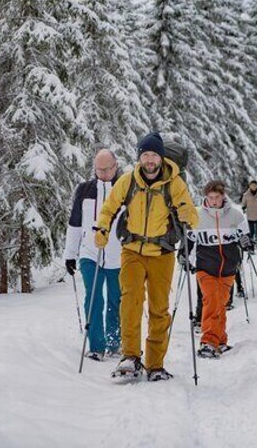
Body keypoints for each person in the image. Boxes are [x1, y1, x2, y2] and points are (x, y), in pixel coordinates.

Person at [94, 133, 198, 382]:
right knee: (130, 301)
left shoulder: (174, 183)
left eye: (153, 155)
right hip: (132, 250)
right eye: (145, 155)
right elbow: (109, 207)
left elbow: (193, 217)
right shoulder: (129, 180)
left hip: (162, 253)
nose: (149, 160)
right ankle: (130, 356)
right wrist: (102, 228)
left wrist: (185, 213)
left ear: (160, 157)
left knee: (159, 309)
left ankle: (155, 364)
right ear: (139, 157)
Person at [63, 149, 123, 361]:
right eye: (99, 169)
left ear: (115, 166)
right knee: (94, 298)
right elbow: (75, 223)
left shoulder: (124, 188)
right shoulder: (85, 190)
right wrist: (70, 254)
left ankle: (115, 342)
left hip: (118, 256)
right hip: (90, 253)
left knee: (117, 300)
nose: (103, 173)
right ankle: (96, 346)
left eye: (107, 169)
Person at [187, 180, 252, 358]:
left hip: (228, 267)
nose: (214, 201)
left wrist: (246, 242)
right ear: (205, 197)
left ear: (223, 196)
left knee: (221, 304)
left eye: (217, 197)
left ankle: (221, 340)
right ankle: (208, 342)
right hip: (205, 266)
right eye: (210, 197)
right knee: (211, 300)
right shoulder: (197, 216)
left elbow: (244, 237)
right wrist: (184, 256)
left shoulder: (236, 216)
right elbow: (189, 241)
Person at [241, 180, 257, 247]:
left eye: (255, 185)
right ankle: (251, 243)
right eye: (252, 185)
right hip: (250, 215)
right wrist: (243, 207)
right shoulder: (246, 195)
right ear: (249, 186)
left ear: (256, 186)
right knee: (251, 231)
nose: (253, 186)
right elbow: (243, 203)